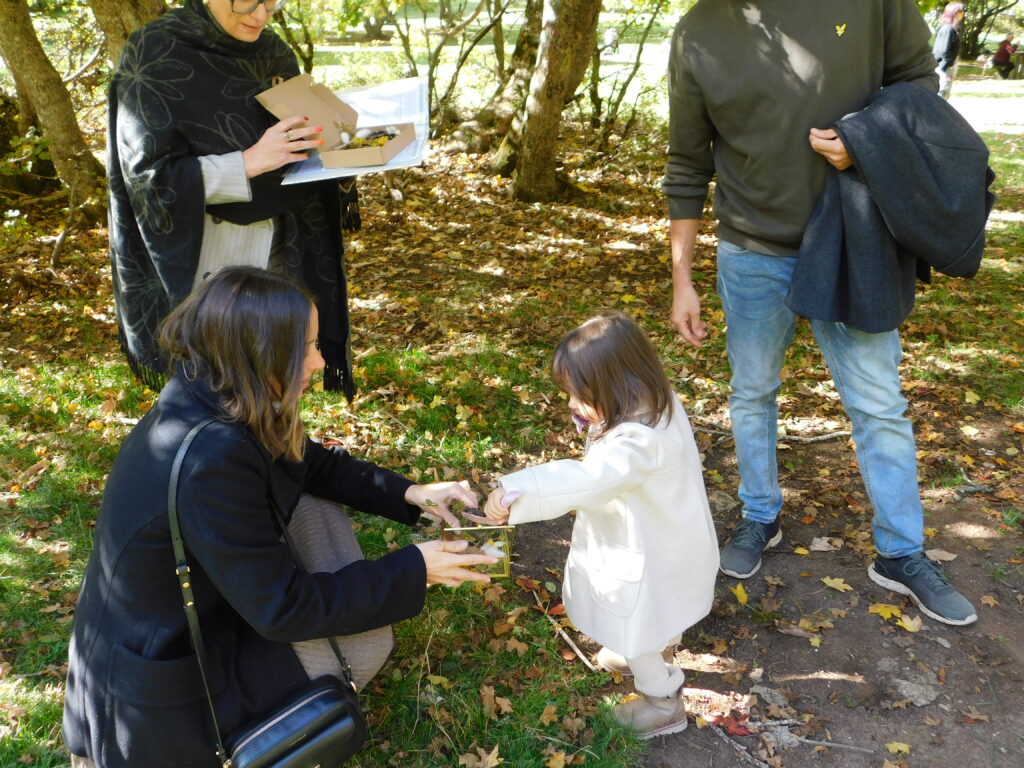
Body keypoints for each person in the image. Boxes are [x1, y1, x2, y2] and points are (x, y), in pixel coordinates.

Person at [62, 267, 497, 768]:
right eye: (307, 346)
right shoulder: (212, 461)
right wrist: (415, 569)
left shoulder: (211, 388)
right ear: (261, 351)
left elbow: (310, 464)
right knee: (366, 644)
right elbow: (284, 611)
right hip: (160, 690)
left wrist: (412, 493)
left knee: (310, 500)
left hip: (189, 624)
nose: (319, 359)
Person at [665, 0, 977, 625]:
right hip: (750, 247)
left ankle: (901, 552)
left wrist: (867, 144)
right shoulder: (699, 29)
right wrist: (682, 279)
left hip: (854, 234)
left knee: (878, 403)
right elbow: (687, 162)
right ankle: (759, 515)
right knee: (752, 390)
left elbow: (919, 87)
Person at [476, 312, 719, 740]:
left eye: (579, 396)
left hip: (645, 556)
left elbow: (587, 478)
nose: (572, 405)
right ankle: (658, 648)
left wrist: (515, 493)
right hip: (670, 540)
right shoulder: (656, 402)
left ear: (616, 386)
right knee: (657, 609)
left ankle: (661, 699)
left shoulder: (636, 445)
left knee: (636, 620)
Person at [108, 0, 360, 396]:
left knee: (277, 375)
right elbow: (147, 180)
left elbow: (301, 144)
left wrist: (345, 154)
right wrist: (248, 162)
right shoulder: (155, 51)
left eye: (271, 2)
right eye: (246, 1)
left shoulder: (274, 52)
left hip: (282, 244)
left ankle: (275, 454)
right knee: (215, 385)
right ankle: (214, 456)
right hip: (208, 253)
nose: (260, 14)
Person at [933, 2, 965, 98]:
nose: (963, 13)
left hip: (943, 66)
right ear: (954, 12)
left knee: (943, 92)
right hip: (943, 67)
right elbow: (943, 50)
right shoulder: (948, 28)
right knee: (943, 92)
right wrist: (948, 65)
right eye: (961, 11)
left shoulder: (949, 28)